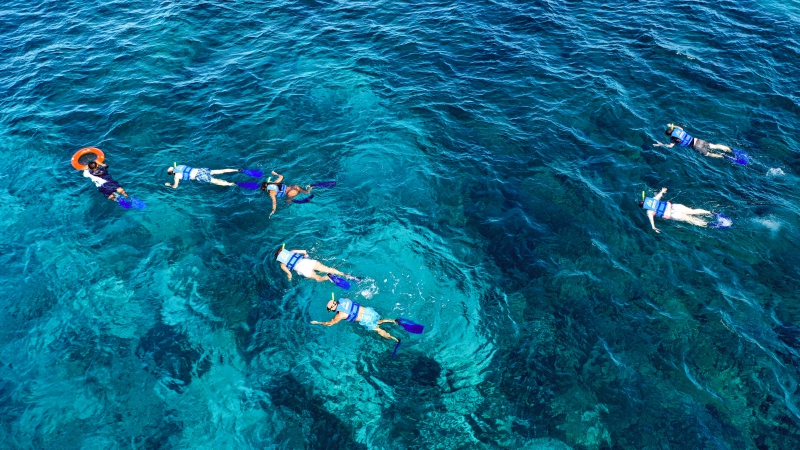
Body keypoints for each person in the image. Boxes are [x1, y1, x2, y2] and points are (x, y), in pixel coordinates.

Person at [311, 297, 401, 344]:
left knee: (378, 329)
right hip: (369, 311)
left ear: (333, 307)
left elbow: (330, 324)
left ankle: (395, 339)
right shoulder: (345, 300)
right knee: (379, 320)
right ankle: (393, 321)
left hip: (366, 320)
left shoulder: (340, 315)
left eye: (331, 310)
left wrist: (318, 322)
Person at [640, 187, 714, 233]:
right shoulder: (653, 200)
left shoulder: (649, 212)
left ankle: (709, 224)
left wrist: (654, 228)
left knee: (691, 219)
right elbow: (659, 195)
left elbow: (652, 223)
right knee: (693, 211)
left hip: (674, 214)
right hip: (674, 207)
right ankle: (710, 212)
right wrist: (662, 191)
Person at [653, 124, 733, 158]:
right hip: (698, 140)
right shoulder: (678, 130)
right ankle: (729, 149)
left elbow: (670, 146)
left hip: (695, 146)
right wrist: (671, 126)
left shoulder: (672, 139)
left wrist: (661, 144)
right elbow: (680, 127)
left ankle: (723, 156)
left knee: (708, 154)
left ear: (668, 135)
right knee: (714, 146)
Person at [275, 247, 345, 283]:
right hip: (308, 262)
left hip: (303, 270)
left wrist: (289, 280)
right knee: (328, 269)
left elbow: (290, 274)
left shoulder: (282, 265)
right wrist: (307, 257)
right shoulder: (292, 252)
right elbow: (305, 251)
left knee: (318, 278)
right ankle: (343, 274)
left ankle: (328, 277)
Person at [165, 164, 241, 189]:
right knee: (221, 171)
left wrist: (169, 185)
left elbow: (175, 186)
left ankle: (232, 184)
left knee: (216, 181)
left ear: (171, 173)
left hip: (199, 176)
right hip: (201, 170)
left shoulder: (176, 176)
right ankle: (237, 170)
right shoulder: (180, 166)